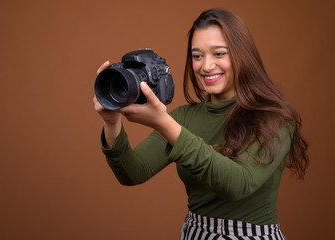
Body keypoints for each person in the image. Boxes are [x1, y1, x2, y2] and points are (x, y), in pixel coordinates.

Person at [93, 8, 309, 240]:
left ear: (242, 55)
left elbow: (238, 184)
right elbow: (133, 172)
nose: (206, 66)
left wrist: (164, 123)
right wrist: (112, 122)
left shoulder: (275, 117)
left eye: (218, 54)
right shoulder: (184, 118)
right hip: (195, 233)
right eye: (197, 56)